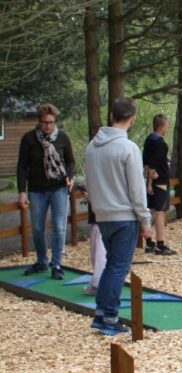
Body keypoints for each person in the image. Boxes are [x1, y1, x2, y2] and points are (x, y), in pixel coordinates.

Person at [83, 97, 152, 335]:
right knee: (117, 268)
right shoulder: (128, 148)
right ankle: (110, 317)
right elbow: (137, 189)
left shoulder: (92, 147)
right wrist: (145, 220)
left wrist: (98, 206)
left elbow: (89, 184)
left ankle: (102, 313)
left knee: (111, 265)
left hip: (102, 215)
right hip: (124, 216)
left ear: (112, 116)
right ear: (131, 119)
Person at [17, 103, 76, 280]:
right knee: (37, 228)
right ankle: (42, 261)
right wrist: (21, 191)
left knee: (59, 227)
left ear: (55, 121)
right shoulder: (28, 139)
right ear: (39, 121)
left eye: (51, 122)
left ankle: (56, 264)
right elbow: (22, 167)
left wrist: (70, 177)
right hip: (36, 190)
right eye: (44, 123)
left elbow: (71, 161)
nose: (48, 126)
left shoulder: (62, 138)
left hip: (58, 187)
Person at [142, 113, 176, 256]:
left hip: (153, 180)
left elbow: (147, 162)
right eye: (167, 126)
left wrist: (148, 180)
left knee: (151, 211)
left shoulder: (149, 139)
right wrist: (150, 184)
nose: (167, 128)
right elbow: (153, 166)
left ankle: (149, 243)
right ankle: (161, 245)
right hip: (160, 182)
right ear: (162, 126)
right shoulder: (161, 144)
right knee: (160, 212)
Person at [73, 180, 106, 296]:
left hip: (101, 221)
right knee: (97, 254)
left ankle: (98, 284)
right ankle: (98, 282)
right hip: (99, 221)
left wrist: (89, 195)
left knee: (99, 255)